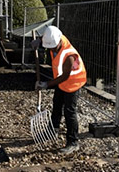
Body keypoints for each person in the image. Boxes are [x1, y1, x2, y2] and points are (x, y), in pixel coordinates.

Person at [33, 26, 87, 154]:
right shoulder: (56, 37)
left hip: (73, 82)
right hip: (62, 81)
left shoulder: (69, 56)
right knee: (56, 104)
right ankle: (53, 130)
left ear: (58, 43)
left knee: (70, 112)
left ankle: (73, 142)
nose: (51, 49)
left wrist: (46, 84)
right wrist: (39, 41)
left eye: (52, 47)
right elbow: (49, 35)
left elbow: (64, 77)